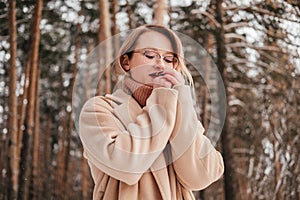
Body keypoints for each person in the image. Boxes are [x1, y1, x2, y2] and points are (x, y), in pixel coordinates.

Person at [79, 24, 224, 200]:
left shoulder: (179, 111)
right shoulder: (99, 110)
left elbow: (201, 176)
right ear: (126, 62)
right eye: (150, 55)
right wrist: (161, 102)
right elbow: (126, 164)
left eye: (169, 59)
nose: (160, 64)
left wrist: (183, 102)